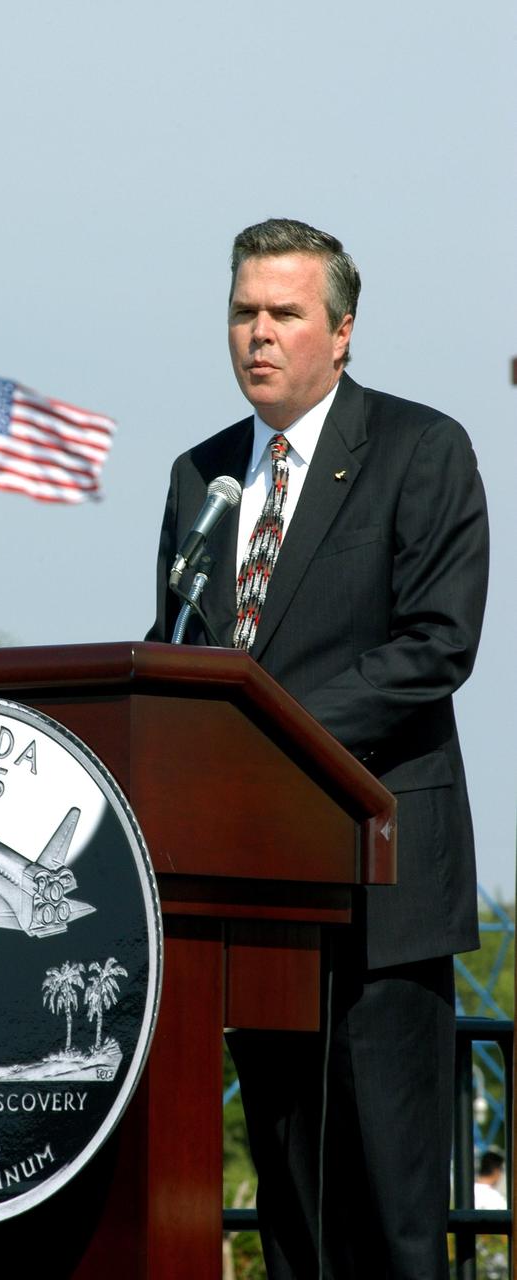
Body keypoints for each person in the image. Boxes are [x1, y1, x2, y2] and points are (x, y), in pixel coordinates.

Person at [148, 218, 489, 1278]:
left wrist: (271, 738)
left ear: (339, 332)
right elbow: (179, 652)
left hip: (375, 881)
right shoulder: (198, 477)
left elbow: (436, 644)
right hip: (253, 901)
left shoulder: (417, 448)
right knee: (290, 1210)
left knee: (388, 1211)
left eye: (283, 313)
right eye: (242, 312)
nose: (257, 333)